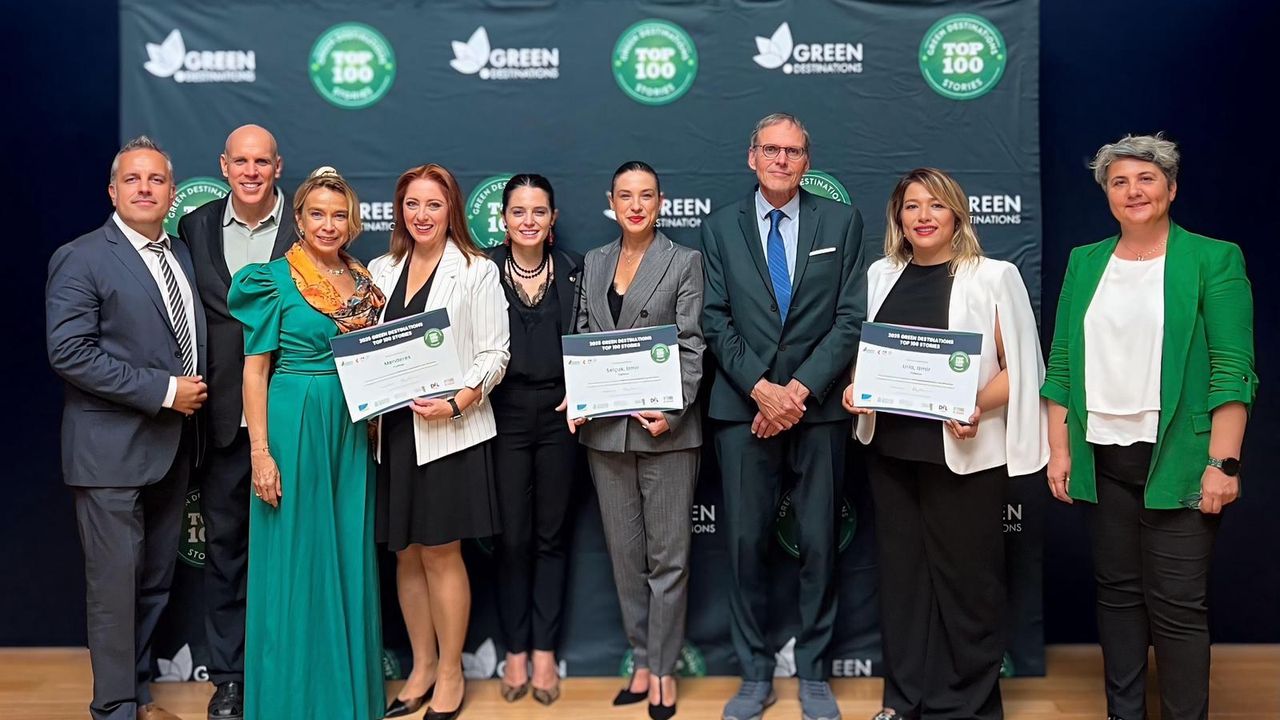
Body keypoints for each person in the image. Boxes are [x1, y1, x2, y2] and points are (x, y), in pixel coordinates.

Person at [1041, 134, 1257, 720]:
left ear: (1171, 188)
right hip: (1102, 458)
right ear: (1107, 194)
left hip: (1183, 460)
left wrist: (1223, 463)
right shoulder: (1086, 261)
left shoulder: (1214, 258)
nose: (1133, 191)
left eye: (1146, 179)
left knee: (1178, 607)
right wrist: (1059, 447)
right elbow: (1062, 361)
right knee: (1117, 597)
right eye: (1119, 181)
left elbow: (1232, 370)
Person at [841, 168, 1048, 720]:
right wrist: (857, 389)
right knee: (903, 585)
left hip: (964, 455)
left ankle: (971, 707)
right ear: (898, 217)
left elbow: (1022, 367)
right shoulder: (881, 274)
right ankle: (903, 701)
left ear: (957, 213)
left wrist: (975, 403)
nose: (924, 216)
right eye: (912, 206)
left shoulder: (993, 276)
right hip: (892, 454)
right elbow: (871, 355)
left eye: (936, 204)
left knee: (969, 585)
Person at [700, 113, 869, 720]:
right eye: (770, 149)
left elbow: (851, 317)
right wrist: (761, 389)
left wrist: (795, 391)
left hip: (817, 409)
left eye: (792, 151)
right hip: (742, 409)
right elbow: (714, 317)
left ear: (807, 160)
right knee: (745, 546)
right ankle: (754, 674)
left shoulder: (842, 222)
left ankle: (815, 672)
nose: (781, 159)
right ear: (752, 157)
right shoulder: (719, 226)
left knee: (819, 543)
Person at [46, 135, 207, 720]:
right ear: (112, 191)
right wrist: (164, 391)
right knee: (114, 592)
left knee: (154, 585)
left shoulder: (182, 253)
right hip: (109, 454)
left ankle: (136, 696)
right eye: (132, 179)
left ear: (172, 192)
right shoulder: (81, 256)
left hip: (171, 450)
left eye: (156, 179)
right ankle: (113, 709)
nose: (144, 188)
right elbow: (70, 352)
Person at [230, 167, 386, 719]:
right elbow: (255, 372)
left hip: (351, 426)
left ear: (353, 222)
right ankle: (290, 702)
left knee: (347, 553)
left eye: (339, 215)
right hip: (295, 420)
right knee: (296, 559)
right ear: (298, 219)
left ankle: (346, 700)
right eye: (317, 213)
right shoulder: (271, 280)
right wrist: (261, 452)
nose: (328, 224)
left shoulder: (363, 281)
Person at [368, 164, 510, 720]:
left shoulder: (476, 270)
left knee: (441, 553)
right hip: (395, 433)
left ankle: (451, 671)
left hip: (450, 430)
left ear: (451, 209)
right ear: (399, 210)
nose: (421, 215)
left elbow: (495, 352)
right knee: (406, 552)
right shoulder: (380, 269)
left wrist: (459, 401)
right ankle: (421, 666)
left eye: (433, 204)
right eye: (412, 204)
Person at [565, 160, 704, 720]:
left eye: (646, 195)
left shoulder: (684, 261)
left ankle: (665, 669)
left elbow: (692, 344)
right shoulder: (594, 262)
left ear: (661, 202)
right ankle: (642, 660)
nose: (637, 205)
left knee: (668, 559)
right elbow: (581, 337)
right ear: (612, 202)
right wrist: (579, 395)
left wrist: (672, 410)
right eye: (626, 196)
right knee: (626, 560)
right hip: (606, 434)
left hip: (665, 432)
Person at [177, 123, 294, 720]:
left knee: (295, 551)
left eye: (262, 162)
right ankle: (228, 678)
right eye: (241, 162)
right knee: (226, 553)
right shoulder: (194, 227)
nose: (251, 172)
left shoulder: (306, 226)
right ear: (224, 166)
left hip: (295, 417)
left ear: (278, 167)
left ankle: (289, 670)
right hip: (224, 418)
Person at [485, 174, 582, 706]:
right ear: (503, 219)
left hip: (561, 415)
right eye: (518, 212)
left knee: (551, 537)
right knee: (512, 539)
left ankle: (544, 653)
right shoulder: (480, 271)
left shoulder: (574, 270)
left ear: (553, 219)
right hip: (501, 415)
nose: (528, 221)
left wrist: (585, 390)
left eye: (538, 211)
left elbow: (595, 340)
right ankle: (515, 650)